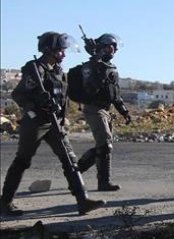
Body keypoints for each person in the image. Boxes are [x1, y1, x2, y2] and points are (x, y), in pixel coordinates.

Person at [0, 32, 104, 217]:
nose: (64, 54)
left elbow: (63, 99)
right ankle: (5, 203)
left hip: (56, 122)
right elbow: (18, 95)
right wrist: (34, 106)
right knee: (22, 160)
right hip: (36, 122)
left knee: (70, 160)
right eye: (61, 50)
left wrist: (64, 118)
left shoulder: (58, 71)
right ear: (49, 50)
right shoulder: (35, 70)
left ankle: (83, 201)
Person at [75, 33, 132, 191]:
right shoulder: (90, 66)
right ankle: (103, 182)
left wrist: (124, 111)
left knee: (104, 146)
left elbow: (114, 93)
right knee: (105, 144)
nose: (112, 49)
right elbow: (90, 89)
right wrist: (97, 64)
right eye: (108, 46)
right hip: (94, 108)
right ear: (100, 48)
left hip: (107, 109)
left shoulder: (111, 68)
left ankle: (75, 172)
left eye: (114, 46)